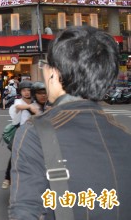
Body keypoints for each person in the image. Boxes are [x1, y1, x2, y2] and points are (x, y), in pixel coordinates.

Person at [10, 26, 131, 219]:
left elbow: (25, 211)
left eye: (45, 65)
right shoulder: (124, 135)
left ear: (54, 74)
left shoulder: (35, 133)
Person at [2, 80, 41, 189]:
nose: (27, 93)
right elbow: (18, 107)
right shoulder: (18, 101)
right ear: (20, 92)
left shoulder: (37, 102)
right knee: (15, 155)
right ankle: (7, 178)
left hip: (36, 133)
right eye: (24, 90)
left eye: (29, 90)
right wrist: (29, 107)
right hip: (22, 133)